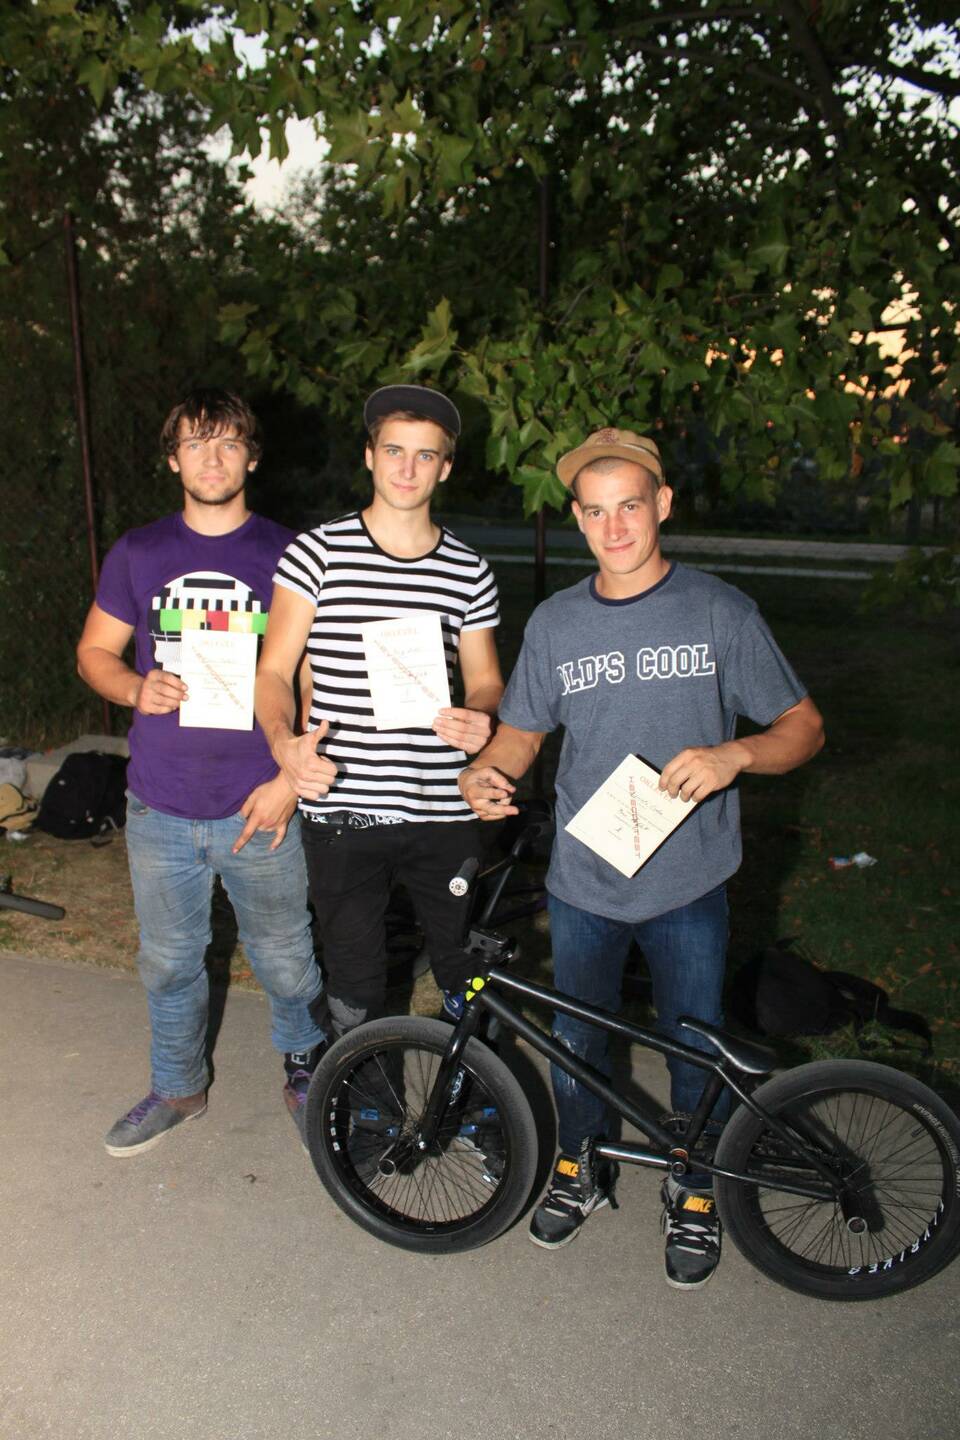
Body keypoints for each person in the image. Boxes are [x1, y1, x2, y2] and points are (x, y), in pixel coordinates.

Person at [459, 426, 824, 1288]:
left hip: (688, 879)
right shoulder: (557, 622)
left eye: (630, 505)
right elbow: (521, 733)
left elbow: (803, 727)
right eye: (595, 511)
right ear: (577, 519)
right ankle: (579, 1163)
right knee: (576, 1038)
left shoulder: (718, 611)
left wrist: (736, 754)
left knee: (694, 1045)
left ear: (662, 504)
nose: (614, 526)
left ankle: (694, 1184)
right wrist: (485, 772)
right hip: (585, 880)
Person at [77, 388, 328, 1156]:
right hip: (160, 805)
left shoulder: (292, 554)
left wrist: (289, 780)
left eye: (227, 443)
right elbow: (94, 653)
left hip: (260, 802)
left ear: (252, 457)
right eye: (194, 443)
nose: (211, 458)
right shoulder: (140, 552)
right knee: (168, 962)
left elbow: (316, 679)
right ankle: (178, 1087)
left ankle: (309, 1074)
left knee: (286, 957)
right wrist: (133, 687)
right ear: (173, 459)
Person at [255, 383, 504, 1041]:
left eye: (425, 455)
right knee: (357, 987)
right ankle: (358, 1101)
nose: (407, 468)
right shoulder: (315, 553)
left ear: (445, 467)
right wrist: (284, 745)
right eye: (394, 450)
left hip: (442, 808)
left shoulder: (469, 570)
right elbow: (273, 672)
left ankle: (472, 1097)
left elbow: (485, 682)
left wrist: (480, 715)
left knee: (465, 979)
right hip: (344, 808)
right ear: (369, 456)